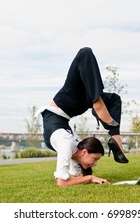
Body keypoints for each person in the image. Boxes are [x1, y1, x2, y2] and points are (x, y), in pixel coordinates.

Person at [36, 47, 128, 186]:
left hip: (68, 105)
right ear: (84, 152)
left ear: (84, 152)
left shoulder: (69, 145)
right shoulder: (71, 144)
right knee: (85, 53)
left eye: (96, 160)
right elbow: (63, 183)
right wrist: (90, 178)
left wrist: (87, 178)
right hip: (69, 106)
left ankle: (111, 129)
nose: (95, 164)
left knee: (114, 98)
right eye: (95, 159)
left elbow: (68, 180)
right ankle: (98, 105)